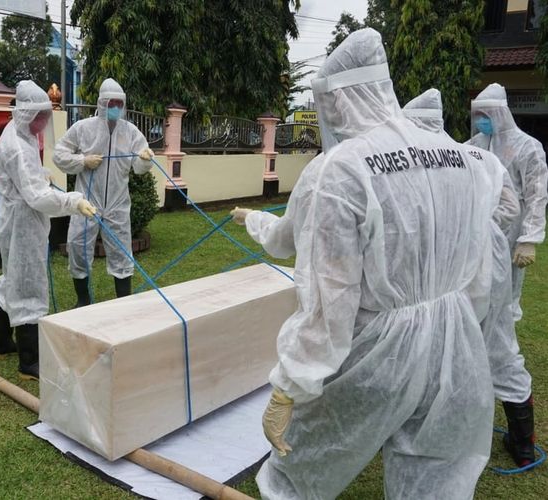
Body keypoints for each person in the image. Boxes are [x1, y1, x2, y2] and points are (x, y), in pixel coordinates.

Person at [233, 29, 498, 499]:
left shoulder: (341, 169)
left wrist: (290, 384)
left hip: (380, 351)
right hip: (456, 340)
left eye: (327, 101)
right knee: (435, 477)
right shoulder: (462, 157)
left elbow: (328, 298)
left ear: (341, 98)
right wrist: (465, 322)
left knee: (298, 471)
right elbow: (479, 261)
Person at [404, 89, 535, 466]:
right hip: (485, 263)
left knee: (464, 345)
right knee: (491, 341)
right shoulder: (473, 153)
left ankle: (476, 437)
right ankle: (521, 442)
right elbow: (509, 207)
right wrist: (484, 228)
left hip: (459, 266)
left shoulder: (435, 161)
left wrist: (471, 229)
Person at [0, 80, 96, 381]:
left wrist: (43, 175)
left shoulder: (15, 133)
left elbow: (28, 180)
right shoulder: (18, 147)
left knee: (10, 278)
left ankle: (1, 343)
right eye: (42, 117)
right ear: (27, 114)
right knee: (27, 284)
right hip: (23, 220)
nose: (44, 123)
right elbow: (37, 197)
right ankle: (29, 360)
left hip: (14, 216)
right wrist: (73, 201)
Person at [465, 83, 547, 466]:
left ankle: (522, 442)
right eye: (476, 113)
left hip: (508, 245)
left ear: (500, 113)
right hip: (475, 245)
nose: (480, 120)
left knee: (501, 313)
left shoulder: (528, 147)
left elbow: (536, 194)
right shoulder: (476, 145)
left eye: (486, 114)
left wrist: (529, 238)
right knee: (478, 316)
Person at [53, 78, 155, 307]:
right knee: (78, 247)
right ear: (101, 104)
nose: (115, 108)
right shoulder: (83, 128)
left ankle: (123, 302)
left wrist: (145, 159)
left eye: (119, 104)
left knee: (122, 252)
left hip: (118, 203)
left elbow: (139, 167)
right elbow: (59, 154)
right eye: (111, 103)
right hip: (87, 202)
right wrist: (82, 160)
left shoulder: (130, 132)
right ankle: (83, 299)